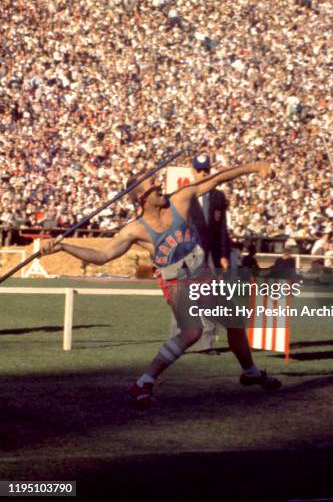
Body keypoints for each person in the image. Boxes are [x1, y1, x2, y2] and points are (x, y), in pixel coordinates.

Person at [41, 160, 282, 406]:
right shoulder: (135, 230)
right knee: (192, 332)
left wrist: (254, 167)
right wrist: (61, 246)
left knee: (234, 320)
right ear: (141, 198)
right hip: (176, 281)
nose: (159, 185)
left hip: (202, 273)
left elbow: (216, 179)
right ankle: (143, 383)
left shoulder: (180, 199)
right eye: (152, 185)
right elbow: (102, 257)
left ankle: (250, 372)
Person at [170, 154, 231, 355]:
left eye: (206, 170)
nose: (203, 174)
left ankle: (206, 343)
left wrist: (223, 254)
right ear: (193, 171)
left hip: (210, 253)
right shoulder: (184, 194)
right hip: (187, 253)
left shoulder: (218, 196)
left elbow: (222, 227)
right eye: (199, 170)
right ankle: (178, 338)